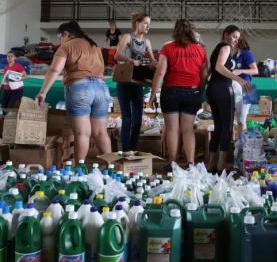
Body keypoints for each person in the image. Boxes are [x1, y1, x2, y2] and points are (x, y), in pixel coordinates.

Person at [36, 21, 111, 161]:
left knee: (82, 133)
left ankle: (79, 171)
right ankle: (111, 169)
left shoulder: (67, 46)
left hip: (80, 88)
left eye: (60, 38)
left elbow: (54, 70)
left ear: (66, 34)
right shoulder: (94, 46)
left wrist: (43, 92)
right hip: (101, 88)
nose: (60, 41)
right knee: (101, 133)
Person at [149, 19, 208, 165]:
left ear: (175, 31)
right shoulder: (200, 49)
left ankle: (173, 162)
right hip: (192, 92)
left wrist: (153, 93)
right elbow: (205, 73)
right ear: (191, 31)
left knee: (172, 129)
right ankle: (190, 163)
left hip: (171, 92)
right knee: (188, 129)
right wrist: (199, 90)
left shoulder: (168, 48)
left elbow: (161, 71)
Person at [206, 25, 252, 172]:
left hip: (213, 88)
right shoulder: (225, 47)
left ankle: (211, 163)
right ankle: (221, 166)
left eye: (237, 38)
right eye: (233, 36)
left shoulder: (217, 48)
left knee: (218, 127)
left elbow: (210, 70)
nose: (235, 40)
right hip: (223, 89)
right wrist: (238, 79)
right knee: (227, 128)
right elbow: (219, 67)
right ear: (226, 34)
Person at [114, 13, 156, 151]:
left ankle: (133, 150)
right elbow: (117, 55)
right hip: (125, 81)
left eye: (149, 24)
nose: (148, 26)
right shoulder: (127, 37)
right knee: (127, 119)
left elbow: (152, 61)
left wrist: (157, 64)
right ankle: (125, 151)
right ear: (137, 23)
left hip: (137, 83)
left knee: (138, 121)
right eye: (145, 23)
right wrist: (131, 61)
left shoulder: (147, 42)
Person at [233, 36, 258, 132]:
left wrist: (241, 71)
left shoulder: (247, 54)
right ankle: (238, 142)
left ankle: (243, 144)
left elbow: (255, 70)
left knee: (242, 121)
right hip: (237, 88)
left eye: (235, 40)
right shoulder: (234, 56)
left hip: (247, 88)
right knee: (237, 120)